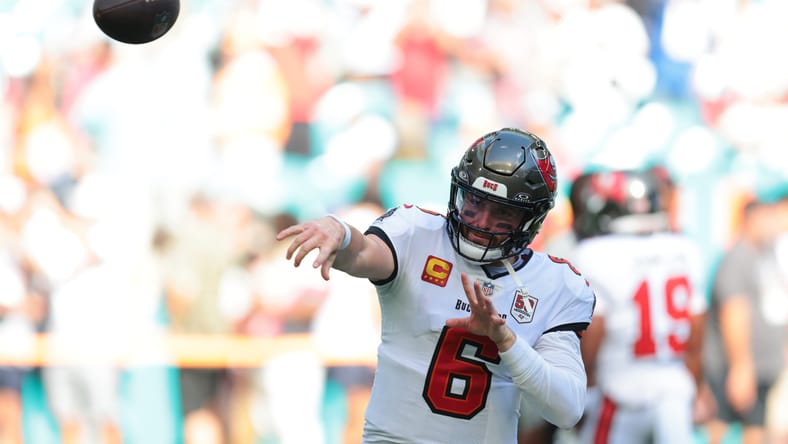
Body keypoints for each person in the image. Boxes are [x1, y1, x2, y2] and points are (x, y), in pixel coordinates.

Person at [277, 127, 596, 443]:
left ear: (531, 219)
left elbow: (566, 410)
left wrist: (507, 342)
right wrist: (341, 234)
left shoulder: (555, 284)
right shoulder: (416, 233)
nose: (481, 221)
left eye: (501, 212)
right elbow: (364, 252)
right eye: (474, 201)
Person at [567, 169, 708, 444]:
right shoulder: (685, 249)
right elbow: (696, 329)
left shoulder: (593, 253)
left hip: (619, 390)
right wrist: (696, 385)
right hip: (674, 388)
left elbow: (595, 330)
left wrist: (583, 390)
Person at [703, 196, 788, 444]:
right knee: (722, 427)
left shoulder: (765, 253)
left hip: (761, 366)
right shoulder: (737, 258)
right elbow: (734, 312)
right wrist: (742, 366)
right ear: (752, 219)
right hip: (734, 366)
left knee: (757, 429)